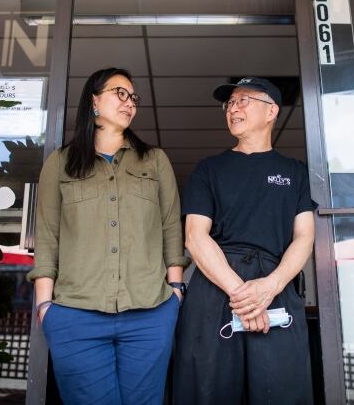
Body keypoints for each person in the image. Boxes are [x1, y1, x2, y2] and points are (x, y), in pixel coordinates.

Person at [28, 68, 188, 405]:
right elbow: (46, 235)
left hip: (150, 313)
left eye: (134, 97)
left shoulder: (155, 160)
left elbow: (172, 226)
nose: (129, 102)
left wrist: (176, 291)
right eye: (120, 93)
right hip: (75, 314)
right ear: (94, 101)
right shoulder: (60, 163)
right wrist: (45, 306)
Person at [173, 77, 315, 404]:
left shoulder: (295, 173)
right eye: (230, 103)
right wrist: (243, 296)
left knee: (280, 390)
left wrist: (269, 287)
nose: (233, 108)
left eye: (243, 100)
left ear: (272, 111)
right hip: (216, 286)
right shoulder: (209, 169)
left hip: (275, 289)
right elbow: (195, 237)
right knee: (208, 390)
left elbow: (305, 238)